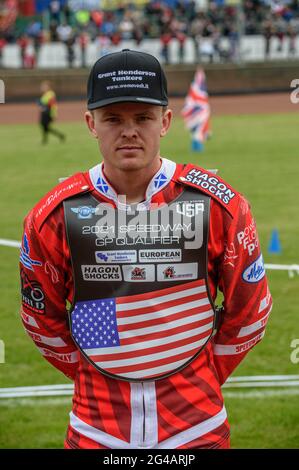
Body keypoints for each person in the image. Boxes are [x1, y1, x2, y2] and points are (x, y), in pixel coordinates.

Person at [20, 49, 272, 449]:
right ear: (91, 123)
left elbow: (250, 309)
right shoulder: (53, 216)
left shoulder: (220, 206)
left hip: (198, 429)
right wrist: (97, 374)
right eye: (113, 119)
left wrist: (200, 372)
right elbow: (43, 321)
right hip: (95, 432)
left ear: (166, 121)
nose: (129, 131)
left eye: (142, 118)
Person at [38, 80, 65, 144]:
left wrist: (54, 114)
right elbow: (43, 103)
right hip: (44, 113)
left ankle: (59, 136)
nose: (42, 88)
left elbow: (53, 105)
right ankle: (59, 136)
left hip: (47, 113)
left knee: (45, 126)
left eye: (44, 86)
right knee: (44, 126)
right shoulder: (45, 94)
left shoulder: (50, 94)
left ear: (48, 87)